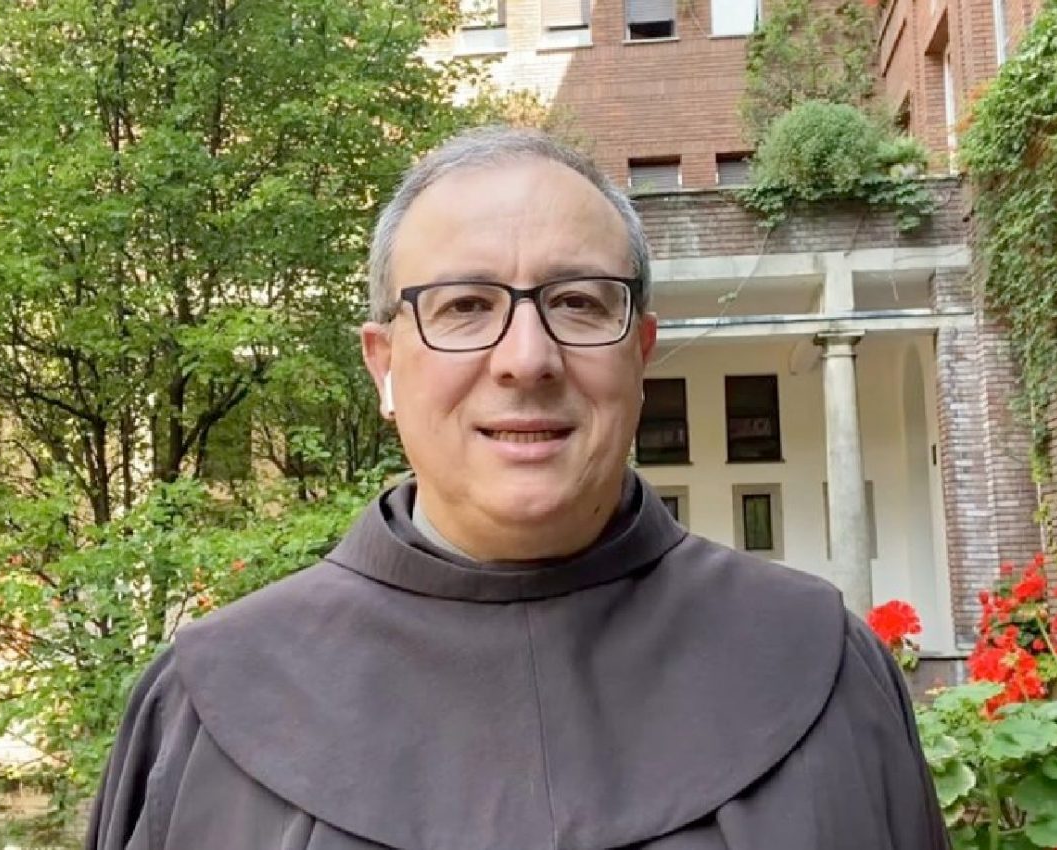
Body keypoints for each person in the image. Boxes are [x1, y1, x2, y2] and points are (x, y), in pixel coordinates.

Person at [86, 127, 952, 850]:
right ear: (384, 366)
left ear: (641, 354)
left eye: (578, 303)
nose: (527, 359)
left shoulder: (818, 666)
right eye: (464, 306)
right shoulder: (206, 706)